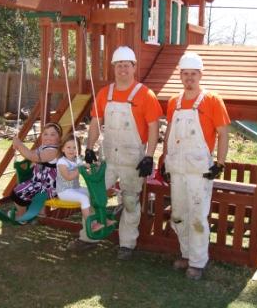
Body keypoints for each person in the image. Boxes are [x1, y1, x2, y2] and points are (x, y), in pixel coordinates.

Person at [81, 46, 163, 259]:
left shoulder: (145, 95)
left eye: (126, 65)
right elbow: (96, 122)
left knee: (129, 201)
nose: (122, 69)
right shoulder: (104, 93)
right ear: (114, 68)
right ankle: (88, 236)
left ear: (134, 67)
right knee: (94, 196)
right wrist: (89, 148)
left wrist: (149, 156)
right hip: (108, 158)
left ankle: (127, 244)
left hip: (132, 160)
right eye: (119, 66)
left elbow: (153, 127)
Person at [163, 52, 230, 280]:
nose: (189, 78)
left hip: (199, 171)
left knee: (198, 216)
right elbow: (170, 132)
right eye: (185, 74)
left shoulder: (212, 100)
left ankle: (198, 262)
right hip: (178, 169)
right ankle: (186, 254)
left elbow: (223, 133)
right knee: (179, 214)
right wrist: (164, 159)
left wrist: (219, 164)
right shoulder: (174, 102)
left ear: (200, 75)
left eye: (193, 74)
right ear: (180, 76)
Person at [56, 134, 114, 236]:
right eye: (68, 147)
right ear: (62, 149)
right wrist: (80, 169)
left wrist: (94, 165)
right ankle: (91, 224)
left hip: (75, 189)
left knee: (94, 193)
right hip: (64, 192)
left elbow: (85, 166)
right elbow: (68, 177)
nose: (71, 150)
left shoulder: (76, 160)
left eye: (75, 148)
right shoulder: (61, 162)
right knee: (84, 198)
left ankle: (102, 219)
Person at [10, 122, 62, 220]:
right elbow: (31, 154)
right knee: (21, 187)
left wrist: (19, 145)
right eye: (45, 134)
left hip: (48, 187)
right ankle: (39, 213)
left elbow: (33, 156)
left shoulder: (53, 151)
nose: (48, 137)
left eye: (52, 134)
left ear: (59, 138)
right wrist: (19, 148)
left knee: (17, 193)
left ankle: (22, 216)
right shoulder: (43, 147)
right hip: (39, 182)